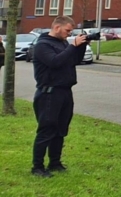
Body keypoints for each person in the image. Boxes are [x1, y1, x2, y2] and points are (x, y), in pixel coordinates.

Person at [31, 15, 87, 178]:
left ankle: (55, 163)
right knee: (47, 130)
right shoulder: (42, 45)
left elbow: (73, 60)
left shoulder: (62, 43)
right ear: (57, 27)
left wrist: (81, 46)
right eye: (67, 30)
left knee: (60, 130)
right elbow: (55, 62)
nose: (69, 34)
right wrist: (72, 46)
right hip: (49, 93)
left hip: (65, 92)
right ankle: (37, 167)